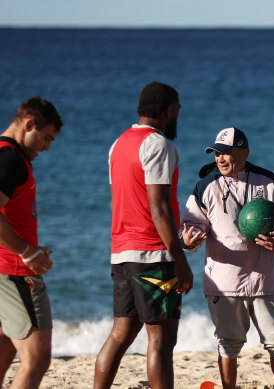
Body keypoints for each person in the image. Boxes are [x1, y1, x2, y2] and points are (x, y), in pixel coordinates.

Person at [180, 127, 274, 389]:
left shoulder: (268, 181)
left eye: (226, 153)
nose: (220, 159)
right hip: (224, 280)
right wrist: (189, 240)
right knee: (228, 344)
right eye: (216, 153)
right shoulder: (205, 186)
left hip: (264, 278)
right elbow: (190, 224)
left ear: (244, 152)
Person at [94, 82, 194, 389]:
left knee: (121, 333)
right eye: (177, 109)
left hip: (121, 252)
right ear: (166, 111)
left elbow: (121, 200)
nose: (178, 115)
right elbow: (159, 206)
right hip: (153, 254)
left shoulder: (119, 144)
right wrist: (180, 259)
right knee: (161, 340)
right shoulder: (158, 144)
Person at [0, 97, 63, 389]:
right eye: (46, 137)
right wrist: (26, 251)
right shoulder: (11, 158)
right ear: (28, 125)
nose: (48, 146)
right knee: (36, 358)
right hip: (12, 270)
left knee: (4, 348)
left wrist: (30, 247)